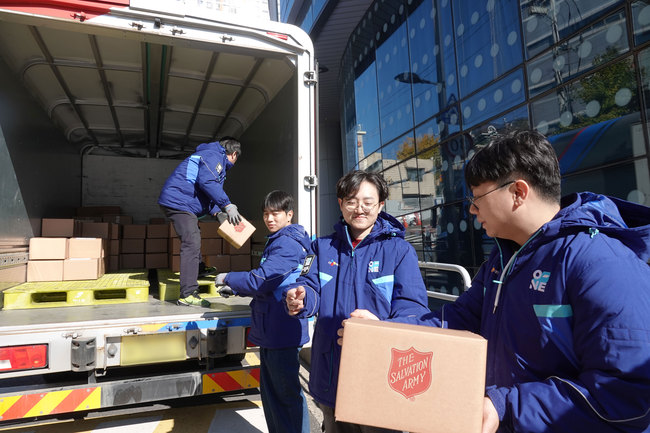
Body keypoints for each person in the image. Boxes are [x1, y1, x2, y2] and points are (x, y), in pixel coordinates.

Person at [345, 130, 650, 433]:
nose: (472, 209)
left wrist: (504, 406)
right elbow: (459, 318)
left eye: (478, 197)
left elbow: (626, 395)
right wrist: (387, 333)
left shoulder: (600, 261)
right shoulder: (503, 258)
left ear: (518, 192)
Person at [284, 170, 430, 433]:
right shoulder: (322, 247)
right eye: (351, 201)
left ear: (381, 205)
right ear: (340, 204)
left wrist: (380, 329)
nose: (359, 209)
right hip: (332, 374)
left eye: (368, 202)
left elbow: (414, 308)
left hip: (382, 376)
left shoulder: (398, 251)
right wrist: (302, 298)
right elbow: (310, 286)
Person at [214, 190, 311, 433]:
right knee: (273, 395)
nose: (269, 218)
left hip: (281, 330)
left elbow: (264, 279)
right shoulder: (278, 239)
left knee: (285, 396)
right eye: (266, 213)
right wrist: (235, 290)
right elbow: (272, 285)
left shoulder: (287, 244)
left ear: (289, 215)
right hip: (272, 329)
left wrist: (229, 277)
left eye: (275, 213)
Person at [158, 137, 242, 307]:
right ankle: (187, 294)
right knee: (191, 241)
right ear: (233, 153)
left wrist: (216, 212)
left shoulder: (209, 156)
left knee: (194, 235)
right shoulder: (213, 156)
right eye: (236, 158)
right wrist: (227, 205)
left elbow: (203, 190)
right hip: (179, 202)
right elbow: (208, 182)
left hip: (183, 202)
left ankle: (199, 269)